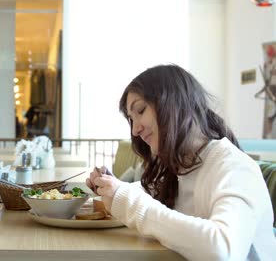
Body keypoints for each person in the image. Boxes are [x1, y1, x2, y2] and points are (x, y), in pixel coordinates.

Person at [86, 64, 276, 260]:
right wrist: (111, 189)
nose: (135, 130)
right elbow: (146, 193)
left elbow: (222, 250)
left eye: (140, 110)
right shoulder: (179, 166)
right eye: (131, 120)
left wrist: (129, 202)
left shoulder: (234, 167)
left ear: (174, 104)